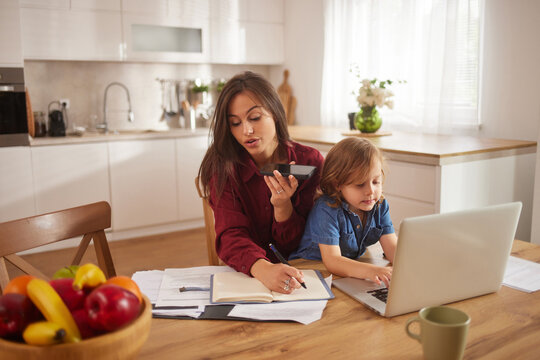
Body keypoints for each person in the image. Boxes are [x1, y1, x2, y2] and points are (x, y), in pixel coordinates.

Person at [198, 71, 324, 294]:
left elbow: (305, 239)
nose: (246, 131)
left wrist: (283, 207)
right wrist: (263, 269)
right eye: (235, 123)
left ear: (275, 113)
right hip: (248, 276)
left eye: (254, 118)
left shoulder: (309, 162)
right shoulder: (223, 168)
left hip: (304, 273)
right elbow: (231, 236)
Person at [290, 137, 397, 287]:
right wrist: (372, 271)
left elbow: (392, 248)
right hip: (312, 271)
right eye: (360, 184)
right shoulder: (326, 209)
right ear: (337, 184)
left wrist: (411, 265)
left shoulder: (380, 206)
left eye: (375, 182)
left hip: (350, 269)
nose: (371, 191)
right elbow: (333, 261)